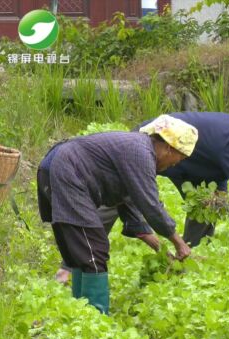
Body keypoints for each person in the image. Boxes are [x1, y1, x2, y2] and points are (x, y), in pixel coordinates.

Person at [55, 112, 229, 282]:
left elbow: (221, 166)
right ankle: (71, 264)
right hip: (159, 142)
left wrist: (217, 196)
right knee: (119, 197)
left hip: (190, 162)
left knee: (210, 204)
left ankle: (186, 256)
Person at [38, 115, 196, 314]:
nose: (175, 164)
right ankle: (95, 317)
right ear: (169, 148)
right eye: (178, 158)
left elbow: (130, 203)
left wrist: (160, 247)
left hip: (55, 167)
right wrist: (179, 243)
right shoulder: (141, 152)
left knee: (78, 251)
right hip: (66, 171)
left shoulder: (136, 149)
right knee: (93, 250)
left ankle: (80, 311)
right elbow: (151, 206)